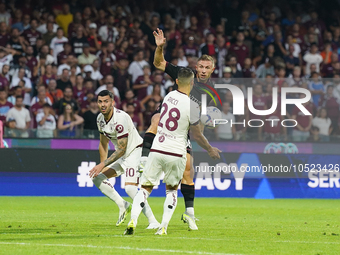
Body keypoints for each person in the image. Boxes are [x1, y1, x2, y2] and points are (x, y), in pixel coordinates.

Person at [136, 28, 219, 231]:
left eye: (207, 67)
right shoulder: (184, 74)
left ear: (212, 70)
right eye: (200, 65)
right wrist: (159, 47)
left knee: (188, 171)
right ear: (196, 66)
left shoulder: (211, 92)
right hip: (167, 122)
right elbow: (158, 63)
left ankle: (189, 214)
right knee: (156, 119)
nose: (202, 69)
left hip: (184, 131)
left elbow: (200, 123)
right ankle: (144, 159)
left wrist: (205, 134)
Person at [124, 68, 220, 235]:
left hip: (158, 147)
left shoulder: (168, 97)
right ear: (192, 83)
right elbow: (196, 135)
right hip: (176, 152)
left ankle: (133, 219)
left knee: (145, 189)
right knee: (171, 190)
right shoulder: (192, 105)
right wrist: (210, 149)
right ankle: (163, 227)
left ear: (176, 82)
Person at [88, 90, 160, 229]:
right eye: (100, 101)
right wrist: (102, 167)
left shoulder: (120, 118)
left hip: (134, 152)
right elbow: (103, 144)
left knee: (130, 189)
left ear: (112, 102)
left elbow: (122, 148)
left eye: (106, 101)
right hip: (122, 155)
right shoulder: (100, 119)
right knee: (97, 178)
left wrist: (103, 163)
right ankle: (123, 205)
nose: (103, 105)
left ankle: (153, 221)